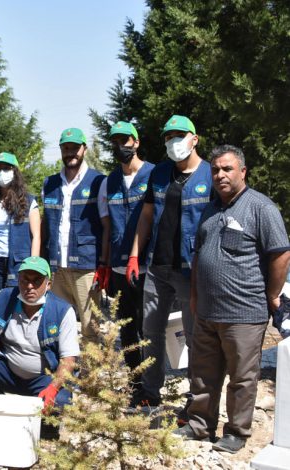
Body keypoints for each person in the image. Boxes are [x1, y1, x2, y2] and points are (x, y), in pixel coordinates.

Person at [174, 145, 290, 453]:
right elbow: (199, 256)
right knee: (202, 374)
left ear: (242, 172)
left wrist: (272, 294)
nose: (220, 175)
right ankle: (200, 426)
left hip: (244, 312)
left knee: (241, 378)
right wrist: (196, 296)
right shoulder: (211, 210)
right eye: (215, 170)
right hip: (208, 311)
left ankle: (237, 432)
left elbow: (280, 252)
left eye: (227, 169)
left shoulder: (260, 208)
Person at [128, 115, 212, 409]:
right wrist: (135, 255)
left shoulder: (210, 175)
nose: (173, 141)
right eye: (168, 136)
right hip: (157, 267)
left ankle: (196, 399)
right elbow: (147, 216)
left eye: (179, 135)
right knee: (150, 331)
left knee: (194, 335)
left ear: (194, 139)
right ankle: (150, 391)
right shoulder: (160, 173)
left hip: (191, 270)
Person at [0, 256, 78, 411]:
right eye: (24, 280)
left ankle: (45, 424)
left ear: (48, 284)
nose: (29, 286)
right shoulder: (3, 298)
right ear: (18, 280)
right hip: (8, 372)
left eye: (37, 281)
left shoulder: (62, 311)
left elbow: (68, 359)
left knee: (61, 401)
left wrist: (53, 388)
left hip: (43, 378)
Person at [98, 122, 154, 386]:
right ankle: (135, 382)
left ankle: (153, 384)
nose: (122, 146)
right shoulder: (109, 181)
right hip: (119, 267)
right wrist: (105, 264)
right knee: (127, 328)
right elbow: (107, 225)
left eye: (126, 140)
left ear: (137, 142)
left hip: (149, 267)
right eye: (116, 142)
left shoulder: (154, 175)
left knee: (150, 328)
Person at [41, 128, 108, 345]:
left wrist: (104, 263)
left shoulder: (99, 181)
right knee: (56, 325)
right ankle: (62, 373)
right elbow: (45, 226)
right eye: (66, 147)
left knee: (90, 326)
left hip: (86, 268)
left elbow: (107, 225)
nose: (70, 152)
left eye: (75, 148)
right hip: (56, 268)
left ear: (84, 149)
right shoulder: (49, 183)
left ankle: (91, 375)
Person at [0, 152, 41, 298]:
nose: (1, 172)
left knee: (18, 300)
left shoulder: (29, 201)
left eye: (6, 168)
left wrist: (33, 265)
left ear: (15, 172)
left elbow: (37, 236)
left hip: (20, 261)